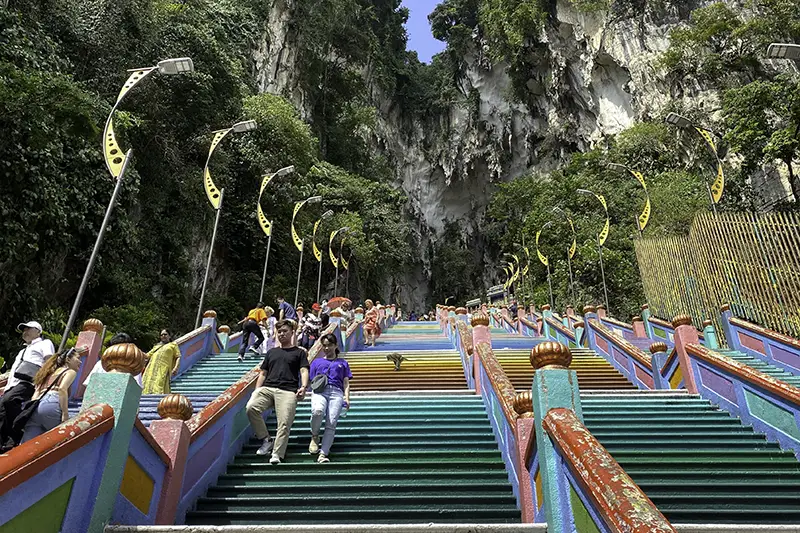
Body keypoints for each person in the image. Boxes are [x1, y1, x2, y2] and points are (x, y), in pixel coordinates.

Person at [245, 320, 310, 465]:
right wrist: (257, 390)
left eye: (285, 331)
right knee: (251, 408)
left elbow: (304, 370)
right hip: (267, 388)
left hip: (288, 391)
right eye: (279, 332)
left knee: (284, 423)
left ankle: (277, 454)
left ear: (292, 332)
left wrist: (304, 387)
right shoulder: (271, 352)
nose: (281, 334)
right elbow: (263, 373)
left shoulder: (299, 352)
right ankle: (266, 439)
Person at [0, 321, 55, 451]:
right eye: (24, 329)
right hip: (14, 385)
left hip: (29, 382)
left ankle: (17, 432)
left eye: (28, 328)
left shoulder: (45, 343)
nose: (25, 331)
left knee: (9, 401)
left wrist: (44, 381)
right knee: (1, 410)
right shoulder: (23, 351)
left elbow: (50, 361)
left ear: (38, 331)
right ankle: (5, 442)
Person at [19, 346, 84, 443]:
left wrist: (31, 409)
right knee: (58, 441)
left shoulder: (48, 374)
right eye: (78, 358)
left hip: (36, 407)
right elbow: (62, 389)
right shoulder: (70, 372)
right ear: (68, 359)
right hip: (51, 404)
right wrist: (65, 414)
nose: (80, 362)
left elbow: (36, 392)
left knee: (27, 444)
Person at [308, 333, 351, 463]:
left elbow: (346, 382)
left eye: (330, 345)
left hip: (336, 393)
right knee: (317, 411)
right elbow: (312, 380)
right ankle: (315, 435)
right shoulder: (316, 362)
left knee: (331, 423)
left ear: (335, 345)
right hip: (320, 391)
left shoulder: (342, 363)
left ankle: (323, 453)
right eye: (324, 346)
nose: (326, 348)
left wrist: (347, 398)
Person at [142, 330, 181, 394]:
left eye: (165, 334)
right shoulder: (156, 346)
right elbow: (147, 355)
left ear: (169, 336)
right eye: (161, 335)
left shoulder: (173, 345)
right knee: (147, 383)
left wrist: (176, 368)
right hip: (151, 369)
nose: (163, 336)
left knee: (160, 384)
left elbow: (178, 356)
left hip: (163, 369)